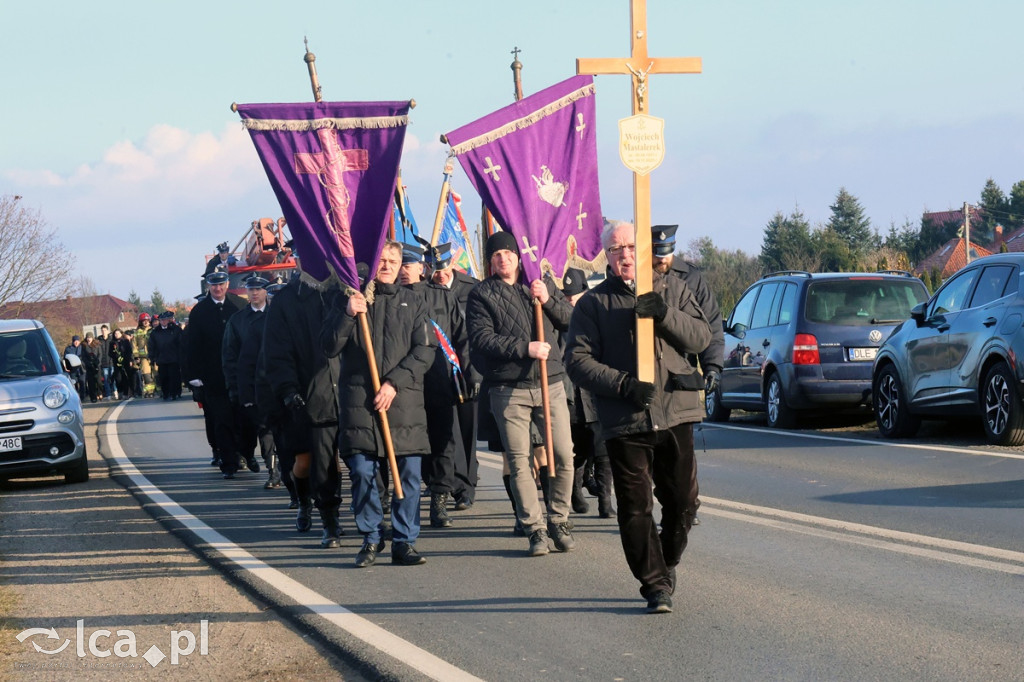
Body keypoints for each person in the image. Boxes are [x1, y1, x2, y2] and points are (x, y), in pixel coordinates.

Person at [564, 220, 712, 614]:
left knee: (684, 503)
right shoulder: (594, 304)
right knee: (635, 507)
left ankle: (666, 561)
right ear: (606, 257)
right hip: (626, 419)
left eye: (631, 247)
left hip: (676, 412)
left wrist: (664, 314)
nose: (625, 255)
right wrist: (623, 384)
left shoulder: (673, 289)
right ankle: (654, 585)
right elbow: (577, 361)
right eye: (616, 250)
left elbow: (701, 338)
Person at [322, 240, 434, 567]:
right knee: (361, 472)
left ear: (401, 265)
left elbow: (424, 351)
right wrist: (347, 314)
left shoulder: (414, 302)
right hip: (360, 403)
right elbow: (328, 346)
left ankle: (404, 540)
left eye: (393, 260)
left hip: (404, 404)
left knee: (409, 476)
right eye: (381, 259)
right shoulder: (349, 300)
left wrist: (394, 383)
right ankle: (371, 537)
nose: (386, 265)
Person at [466, 230, 577, 557]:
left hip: (550, 382)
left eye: (508, 253)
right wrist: (524, 348)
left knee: (563, 455)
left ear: (518, 255)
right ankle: (535, 528)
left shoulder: (539, 281)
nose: (503, 258)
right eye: (496, 254)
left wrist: (547, 298)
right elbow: (482, 339)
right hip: (508, 388)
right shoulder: (481, 294)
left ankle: (559, 518)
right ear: (490, 260)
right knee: (519, 462)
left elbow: (570, 319)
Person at [263, 262, 344, 545]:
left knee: (352, 461)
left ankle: (353, 519)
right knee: (311, 463)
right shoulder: (286, 301)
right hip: (311, 394)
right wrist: (289, 391)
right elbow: (276, 352)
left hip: (348, 391)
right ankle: (310, 505)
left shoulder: (343, 291)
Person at [651, 224, 723, 525]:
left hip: (680, 376)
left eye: (666, 255)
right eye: (657, 256)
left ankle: (687, 505)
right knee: (654, 457)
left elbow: (711, 325)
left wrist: (712, 366)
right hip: (646, 376)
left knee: (683, 455)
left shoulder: (690, 277)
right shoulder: (634, 275)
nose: (662, 262)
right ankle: (670, 504)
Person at [403, 242, 478, 528]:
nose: (404, 272)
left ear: (422, 268)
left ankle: (439, 500)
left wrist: (471, 374)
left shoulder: (440, 298)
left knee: (444, 443)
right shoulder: (393, 298)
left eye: (409, 266)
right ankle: (415, 491)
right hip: (406, 386)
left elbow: (462, 339)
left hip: (440, 382)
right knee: (414, 445)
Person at [429, 245, 481, 511]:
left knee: (468, 430)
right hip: (440, 373)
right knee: (451, 433)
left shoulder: (472, 289)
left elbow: (472, 336)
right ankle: (453, 484)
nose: (439, 274)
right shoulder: (427, 292)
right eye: (434, 270)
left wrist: (474, 372)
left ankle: (468, 485)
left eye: (443, 268)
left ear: (451, 264)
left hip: (467, 370)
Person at [187, 270, 242, 478]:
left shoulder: (238, 305)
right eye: (213, 285)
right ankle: (228, 463)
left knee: (242, 419)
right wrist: (195, 376)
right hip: (213, 376)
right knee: (221, 420)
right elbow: (192, 346)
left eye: (221, 284)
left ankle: (242, 453)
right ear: (208, 286)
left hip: (238, 374)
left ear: (227, 284)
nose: (217, 289)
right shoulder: (199, 311)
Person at [222, 276, 271, 475]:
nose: (255, 292)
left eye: (259, 288)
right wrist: (233, 387)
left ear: (266, 291)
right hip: (247, 384)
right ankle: (247, 453)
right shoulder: (238, 320)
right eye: (251, 289)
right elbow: (229, 356)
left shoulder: (276, 315)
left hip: (272, 383)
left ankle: (273, 471)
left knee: (269, 430)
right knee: (247, 429)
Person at [149, 311, 183, 400]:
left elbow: (181, 344)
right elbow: (151, 346)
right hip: (161, 358)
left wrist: (181, 356)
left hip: (174, 358)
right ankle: (165, 393)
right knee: (163, 377)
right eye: (161, 320)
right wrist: (152, 358)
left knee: (174, 376)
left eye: (165, 320)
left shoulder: (175, 330)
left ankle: (175, 393)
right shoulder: (155, 332)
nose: (164, 322)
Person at [133, 313, 155, 397]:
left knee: (156, 374)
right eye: (143, 321)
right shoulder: (137, 332)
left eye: (147, 321)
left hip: (154, 356)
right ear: (140, 322)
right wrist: (136, 356)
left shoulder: (153, 330)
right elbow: (134, 345)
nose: (145, 322)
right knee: (146, 375)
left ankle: (160, 390)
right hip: (143, 357)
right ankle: (149, 392)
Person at [109, 329, 133, 399]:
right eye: (115, 333)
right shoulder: (112, 343)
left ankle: (126, 393)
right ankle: (120, 392)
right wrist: (116, 356)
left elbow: (129, 351)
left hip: (125, 362)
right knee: (118, 378)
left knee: (125, 377)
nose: (116, 335)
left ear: (121, 333)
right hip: (116, 363)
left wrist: (129, 359)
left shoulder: (125, 341)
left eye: (118, 333)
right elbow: (110, 353)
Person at [63, 335, 86, 400]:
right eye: (75, 341)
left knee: (82, 383)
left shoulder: (83, 348)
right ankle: (76, 397)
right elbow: (65, 359)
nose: (76, 342)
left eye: (77, 341)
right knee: (74, 384)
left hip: (82, 369)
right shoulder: (68, 349)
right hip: (73, 370)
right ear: (73, 341)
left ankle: (83, 397)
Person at [81, 332, 102, 402]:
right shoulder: (84, 346)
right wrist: (88, 363)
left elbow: (100, 354)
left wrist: (97, 363)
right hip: (89, 367)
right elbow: (83, 357)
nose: (88, 339)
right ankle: (93, 397)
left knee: (99, 381)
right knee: (91, 383)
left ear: (92, 338)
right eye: (87, 337)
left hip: (97, 365)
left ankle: (100, 393)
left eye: (90, 337)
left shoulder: (97, 345)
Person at [97, 325, 115, 399]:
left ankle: (115, 392)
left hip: (111, 362)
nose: (103, 332)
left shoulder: (111, 339)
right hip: (103, 364)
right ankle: (108, 394)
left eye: (105, 330)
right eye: (102, 330)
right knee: (106, 379)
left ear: (107, 331)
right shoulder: (99, 340)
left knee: (113, 379)